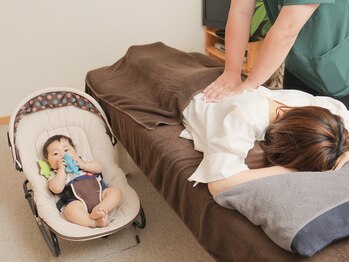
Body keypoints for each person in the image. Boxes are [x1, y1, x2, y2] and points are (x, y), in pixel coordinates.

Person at [181, 86, 349, 196]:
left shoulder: (330, 111)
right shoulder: (246, 117)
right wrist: (289, 170)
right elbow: (219, 184)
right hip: (191, 96)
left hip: (233, 90)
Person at [203, 1, 349, 106]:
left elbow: (287, 29)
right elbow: (240, 12)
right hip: (298, 66)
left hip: (339, 72)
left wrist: (250, 85)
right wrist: (231, 73)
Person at [43, 135, 123, 228]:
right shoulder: (54, 174)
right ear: (49, 162)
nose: (62, 155)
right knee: (69, 211)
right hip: (78, 202)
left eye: (66, 150)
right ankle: (94, 222)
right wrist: (61, 170)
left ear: (75, 152)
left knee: (116, 192)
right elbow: (56, 188)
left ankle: (101, 208)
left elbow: (99, 167)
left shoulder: (83, 162)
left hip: (101, 194)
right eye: (55, 154)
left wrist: (84, 165)